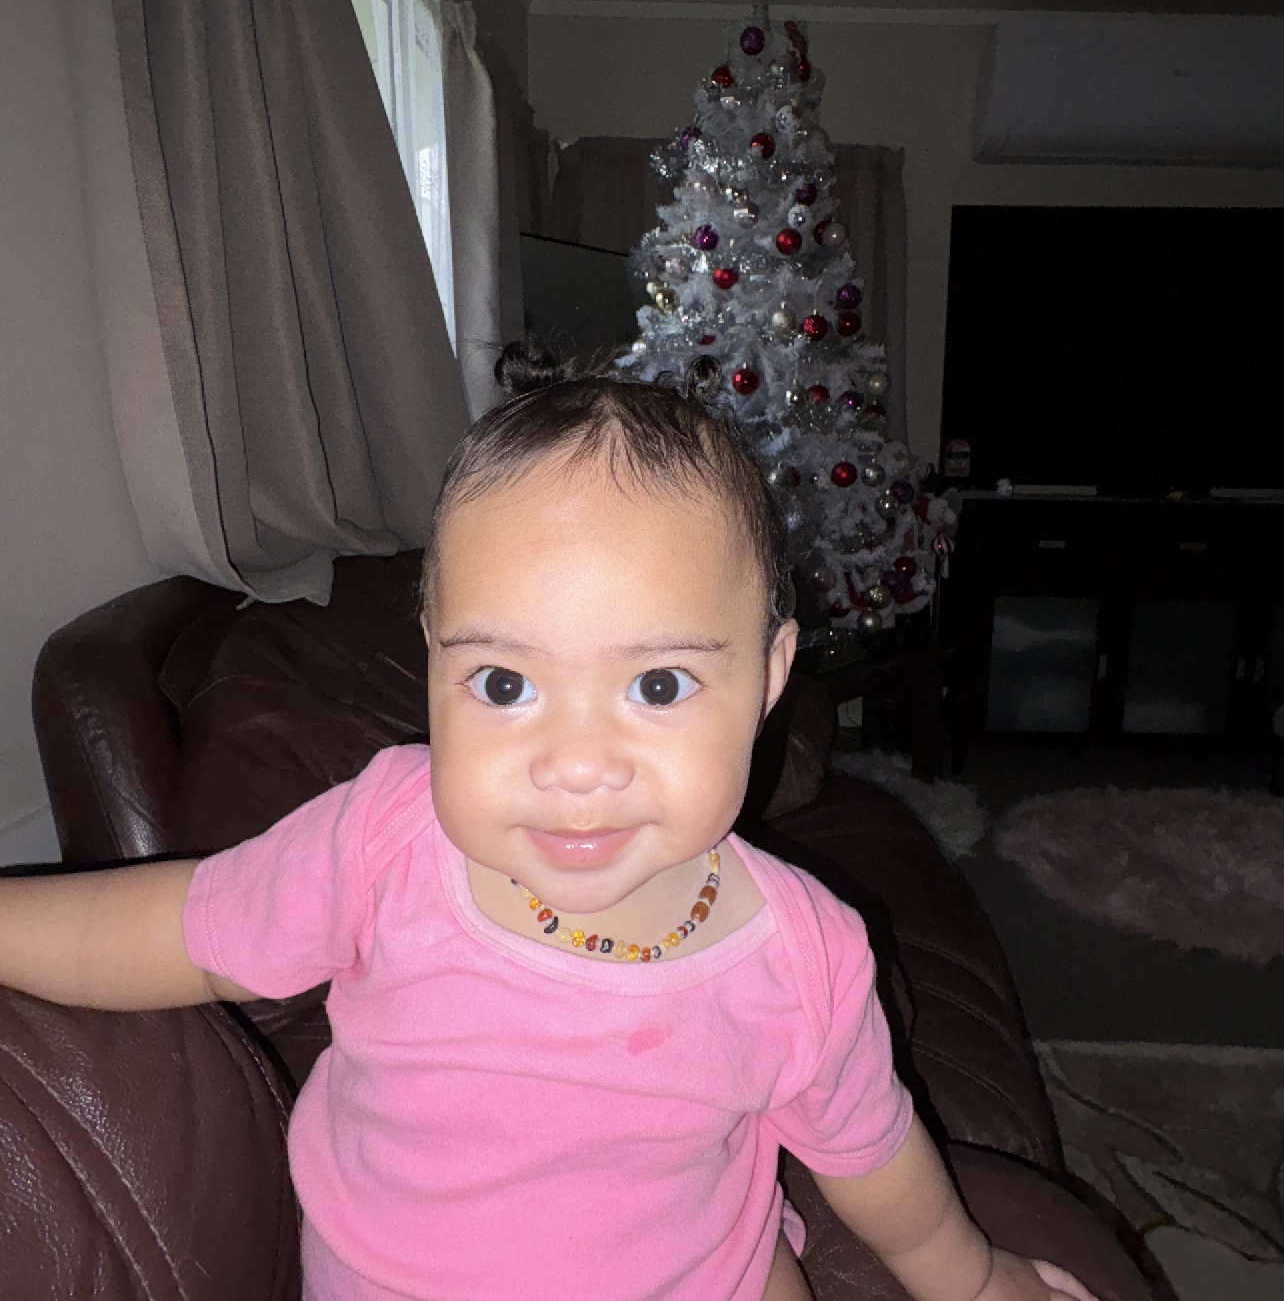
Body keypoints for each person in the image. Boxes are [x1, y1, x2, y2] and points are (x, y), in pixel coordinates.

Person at [0, 346, 1100, 1301]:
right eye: (505, 684)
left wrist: (977, 1278)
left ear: (769, 678)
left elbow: (875, 1156)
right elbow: (179, 930)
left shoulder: (804, 956)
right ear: (434, 658)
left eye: (658, 686)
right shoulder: (385, 843)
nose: (575, 767)